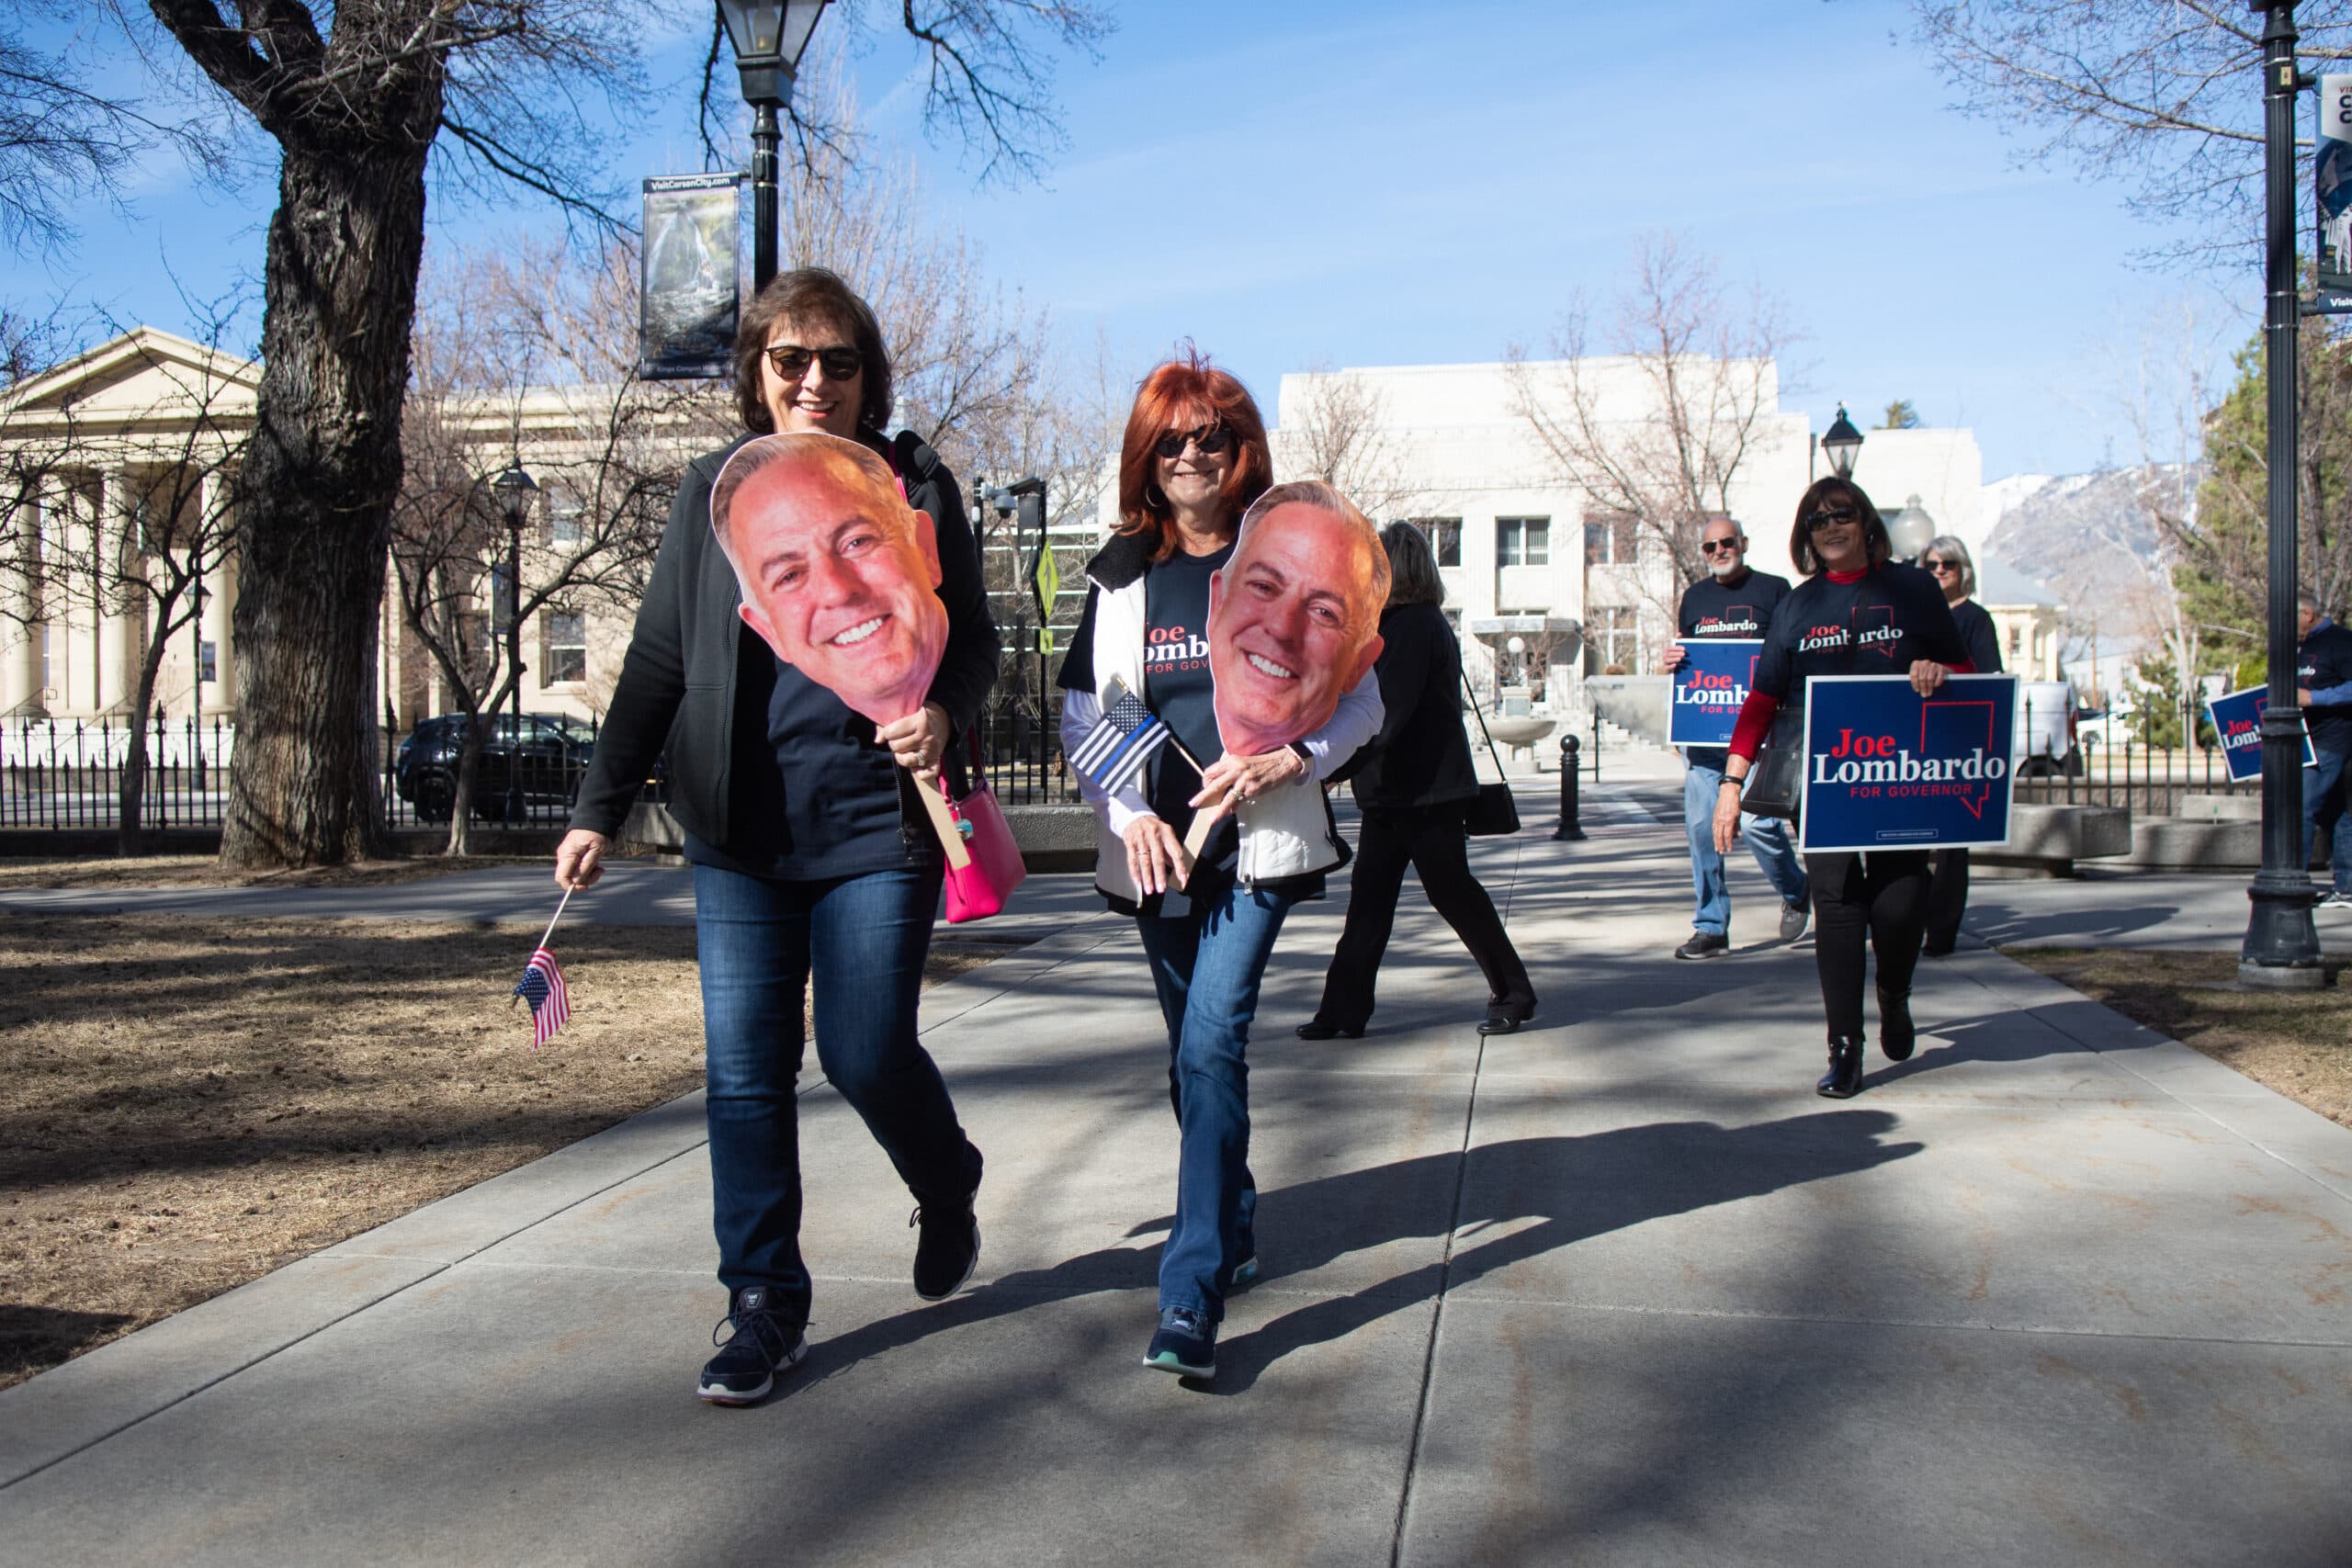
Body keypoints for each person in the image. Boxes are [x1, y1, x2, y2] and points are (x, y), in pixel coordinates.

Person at [556, 267, 996, 1406]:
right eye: (790, 359)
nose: (813, 380)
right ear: (757, 372)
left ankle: (945, 1180)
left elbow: (975, 641)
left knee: (864, 1052)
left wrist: (946, 712)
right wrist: (598, 807)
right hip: (739, 831)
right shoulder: (716, 494)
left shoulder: (913, 483)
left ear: (867, 376)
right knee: (746, 1076)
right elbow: (659, 658)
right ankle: (763, 1302)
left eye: (837, 361)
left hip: (878, 824)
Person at [1057, 354, 1383, 1383]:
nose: (1191, 454)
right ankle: (1232, 1218)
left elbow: (1363, 698)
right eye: (1171, 439)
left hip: (1258, 846)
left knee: (1210, 1042)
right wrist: (1126, 812)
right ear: (1144, 458)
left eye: (1213, 436)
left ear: (1243, 451)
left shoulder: (1288, 554)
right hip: (1159, 852)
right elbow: (1087, 712)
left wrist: (1298, 757)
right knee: (1188, 1059)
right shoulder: (1122, 575)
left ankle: (1189, 1290)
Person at [1713, 478, 1973, 1100]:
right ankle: (1845, 1047)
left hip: (1900, 779)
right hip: (1824, 783)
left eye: (1842, 514)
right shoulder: (1797, 607)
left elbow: (1968, 669)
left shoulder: (1913, 591)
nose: (1830, 526)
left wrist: (1938, 671)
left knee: (1900, 903)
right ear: (1806, 535)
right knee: (1836, 906)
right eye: (1817, 519)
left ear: (1865, 523)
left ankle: (1894, 991)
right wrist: (1731, 782)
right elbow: (1762, 699)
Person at [1299, 522, 1538, 1039]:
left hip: (1425, 794)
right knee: (1371, 905)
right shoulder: (1406, 625)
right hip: (1397, 794)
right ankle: (1341, 1011)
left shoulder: (1414, 626)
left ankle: (1514, 993)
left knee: (1452, 895)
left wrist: (1328, 768)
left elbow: (1385, 718)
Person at [1658, 516, 1808, 959]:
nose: (1719, 551)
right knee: (1702, 829)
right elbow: (1689, 657)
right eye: (1710, 546)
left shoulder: (1775, 590)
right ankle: (1711, 926)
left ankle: (1797, 890)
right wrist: (1672, 659)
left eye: (1726, 542)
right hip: (1705, 738)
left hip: (1759, 737)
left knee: (1758, 824)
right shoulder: (1695, 597)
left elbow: (1792, 654)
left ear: (1743, 542)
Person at [1920, 535, 2003, 954]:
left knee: (1952, 845)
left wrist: (1945, 675)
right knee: (1908, 840)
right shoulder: (1914, 617)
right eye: (1931, 565)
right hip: (1913, 741)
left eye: (1947, 564)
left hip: (1956, 741)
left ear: (1962, 570)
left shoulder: (1975, 619)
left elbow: (1989, 678)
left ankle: (1942, 933)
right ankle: (1919, 914)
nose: (1939, 571)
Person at [2295, 591, 2352, 908]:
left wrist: (2314, 698)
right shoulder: (2301, 646)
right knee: (2335, 813)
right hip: (2307, 739)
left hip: (2333, 739)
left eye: (2288, 618)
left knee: (2301, 807)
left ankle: (2293, 885)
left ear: (2307, 614)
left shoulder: (2341, 641)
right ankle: (2347, 887)